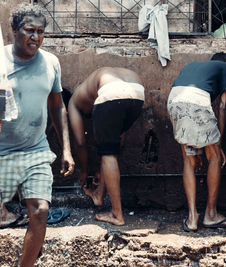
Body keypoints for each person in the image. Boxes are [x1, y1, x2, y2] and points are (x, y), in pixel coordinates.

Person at [0, 3, 75, 266]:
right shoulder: (1, 62)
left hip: (36, 149)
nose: (36, 37)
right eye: (29, 30)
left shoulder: (51, 63)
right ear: (14, 31)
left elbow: (57, 106)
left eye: (41, 31)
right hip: (2, 153)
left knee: (40, 211)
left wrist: (65, 149)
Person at [167, 52, 226, 232]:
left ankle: (192, 218)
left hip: (174, 100)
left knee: (189, 161)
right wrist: (218, 143)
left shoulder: (194, 66)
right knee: (214, 158)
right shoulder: (225, 68)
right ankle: (211, 215)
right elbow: (223, 106)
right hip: (196, 101)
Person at [68, 67, 144, 226]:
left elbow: (80, 142)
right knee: (109, 152)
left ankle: (117, 215)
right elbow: (119, 142)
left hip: (112, 93)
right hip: (137, 92)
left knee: (107, 154)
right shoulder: (95, 81)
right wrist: (103, 170)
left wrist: (84, 170)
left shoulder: (73, 101)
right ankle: (98, 196)